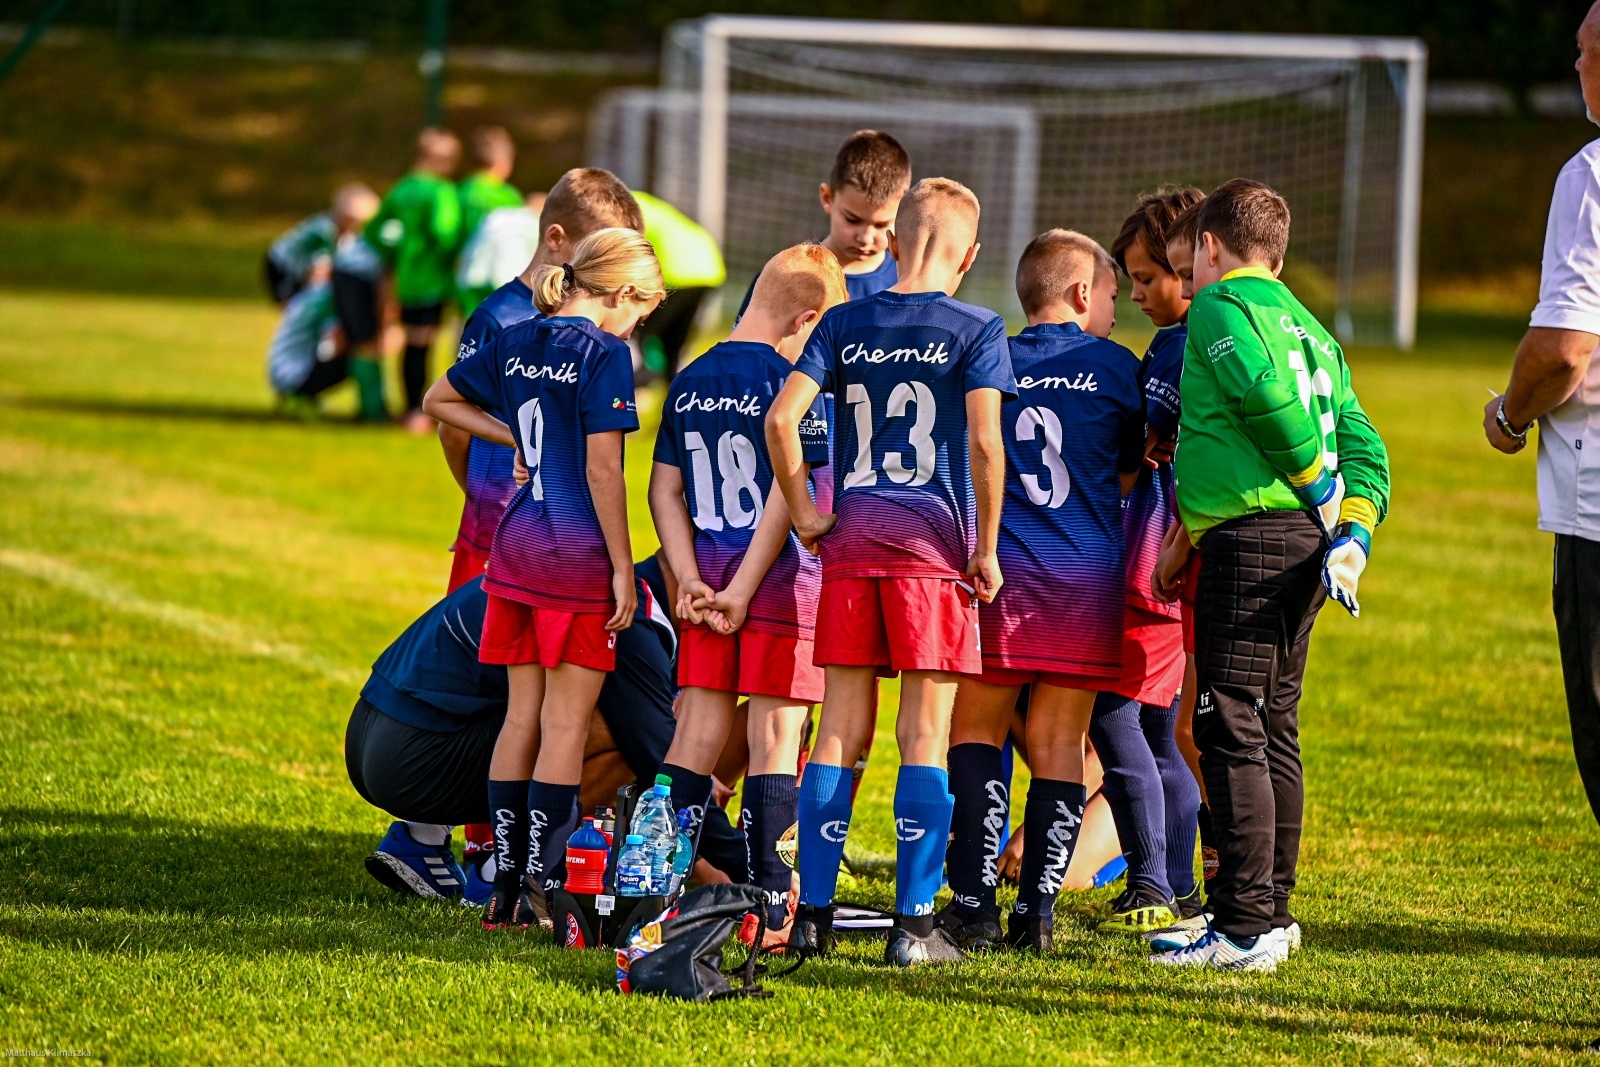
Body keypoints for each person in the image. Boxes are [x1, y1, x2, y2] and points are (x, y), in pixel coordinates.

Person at [766, 177, 1014, 967]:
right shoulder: (977, 325)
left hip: (853, 545)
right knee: (924, 736)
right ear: (970, 255)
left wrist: (806, 513)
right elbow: (983, 444)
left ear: (898, 241)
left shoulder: (843, 321)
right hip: (934, 552)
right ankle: (912, 929)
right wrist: (985, 548)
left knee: (837, 729)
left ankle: (811, 916)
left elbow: (781, 419)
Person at [1150, 179, 1390, 972]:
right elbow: (1369, 448)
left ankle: (1245, 924)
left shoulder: (1222, 306)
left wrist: (1320, 488)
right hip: (1303, 544)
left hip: (1254, 536)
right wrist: (1351, 526)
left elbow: (1261, 393)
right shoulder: (1316, 330)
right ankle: (1269, 911)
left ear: (1209, 248)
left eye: (1190, 262)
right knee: (1273, 723)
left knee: (1230, 721)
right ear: (1279, 256)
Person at [422, 228, 663, 929]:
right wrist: (623, 565)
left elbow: (440, 399)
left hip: (515, 549)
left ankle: (501, 888)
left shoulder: (521, 335)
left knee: (519, 716)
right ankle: (544, 881)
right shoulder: (606, 353)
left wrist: (520, 440)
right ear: (622, 295)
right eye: (640, 314)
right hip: (576, 556)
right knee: (563, 722)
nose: (636, 328)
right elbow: (603, 470)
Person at [938, 231, 1143, 955]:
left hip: (1003, 573)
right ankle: (1037, 914)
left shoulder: (989, 355)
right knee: (1060, 741)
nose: (1118, 310)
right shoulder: (1120, 369)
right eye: (1114, 295)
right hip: (1086, 577)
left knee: (975, 731)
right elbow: (1126, 474)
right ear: (1084, 293)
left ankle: (971, 904)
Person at [649, 243, 848, 942]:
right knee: (774, 737)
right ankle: (767, 908)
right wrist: (738, 587)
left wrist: (690, 578)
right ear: (808, 317)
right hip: (777, 589)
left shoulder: (689, 378)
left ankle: (647, 889)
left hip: (705, 586)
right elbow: (789, 496)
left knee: (695, 734)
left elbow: (664, 490)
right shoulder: (797, 386)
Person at [347, 569, 678, 905]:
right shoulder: (625, 603)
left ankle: (423, 838)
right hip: (414, 758)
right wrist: (720, 861)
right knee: (606, 726)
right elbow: (656, 750)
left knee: (530, 697)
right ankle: (510, 874)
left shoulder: (571, 567)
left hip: (368, 730)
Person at [1483, 2, 1600, 865]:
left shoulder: (1593, 175)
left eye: (1583, 51)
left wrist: (1509, 414)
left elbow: (1564, 347)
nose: (1575, 66)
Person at [1089, 188, 1208, 939]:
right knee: (1164, 730)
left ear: (1185, 265)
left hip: (1155, 557)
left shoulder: (1176, 344)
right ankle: (1184, 884)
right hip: (1187, 555)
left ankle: (1153, 881)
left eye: (1145, 278)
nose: (1135, 295)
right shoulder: (1227, 333)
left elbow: (1143, 444)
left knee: (1114, 714)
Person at [442, 168, 645, 593]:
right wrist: (481, 496)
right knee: (485, 654)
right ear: (556, 239)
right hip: (501, 525)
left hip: (568, 539)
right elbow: (453, 426)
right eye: (599, 252)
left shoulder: (598, 329)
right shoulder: (498, 318)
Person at [735, 129, 911, 319]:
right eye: (852, 220)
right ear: (827, 198)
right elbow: (743, 346)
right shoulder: (786, 275)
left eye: (880, 225)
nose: (865, 237)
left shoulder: (907, 281)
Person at [366, 127, 464, 434]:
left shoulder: (402, 189)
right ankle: (419, 412)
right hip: (432, 278)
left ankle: (408, 407)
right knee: (424, 344)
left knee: (410, 343)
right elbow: (444, 233)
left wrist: (397, 253)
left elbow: (373, 231)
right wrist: (454, 256)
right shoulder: (440, 191)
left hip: (405, 279)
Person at [632, 191, 727, 380]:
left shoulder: (625, 205)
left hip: (676, 272)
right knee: (674, 342)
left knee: (639, 331)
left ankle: (636, 382)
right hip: (708, 269)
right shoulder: (652, 205)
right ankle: (675, 394)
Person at [263, 183, 379, 305]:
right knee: (290, 303)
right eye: (353, 222)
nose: (357, 227)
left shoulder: (347, 233)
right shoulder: (324, 231)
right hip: (283, 264)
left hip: (300, 266)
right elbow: (319, 270)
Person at [455, 126, 526, 315]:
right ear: (504, 162)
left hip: (468, 269)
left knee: (469, 324)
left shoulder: (463, 191)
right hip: (502, 272)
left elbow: (452, 231)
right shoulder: (509, 197)